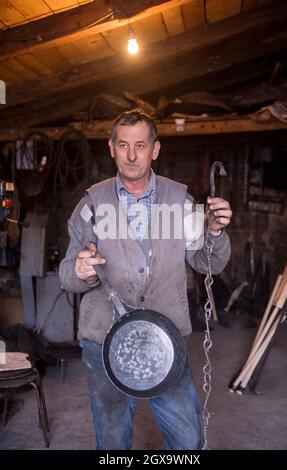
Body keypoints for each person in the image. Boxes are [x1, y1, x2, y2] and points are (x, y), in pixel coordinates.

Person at [59, 110, 232, 450]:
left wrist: (214, 230)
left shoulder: (181, 202)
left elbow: (207, 262)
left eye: (140, 145)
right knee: (112, 440)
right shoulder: (91, 205)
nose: (132, 155)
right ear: (111, 148)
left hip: (165, 339)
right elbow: (67, 273)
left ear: (155, 149)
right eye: (123, 145)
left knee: (187, 439)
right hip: (103, 340)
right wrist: (79, 272)